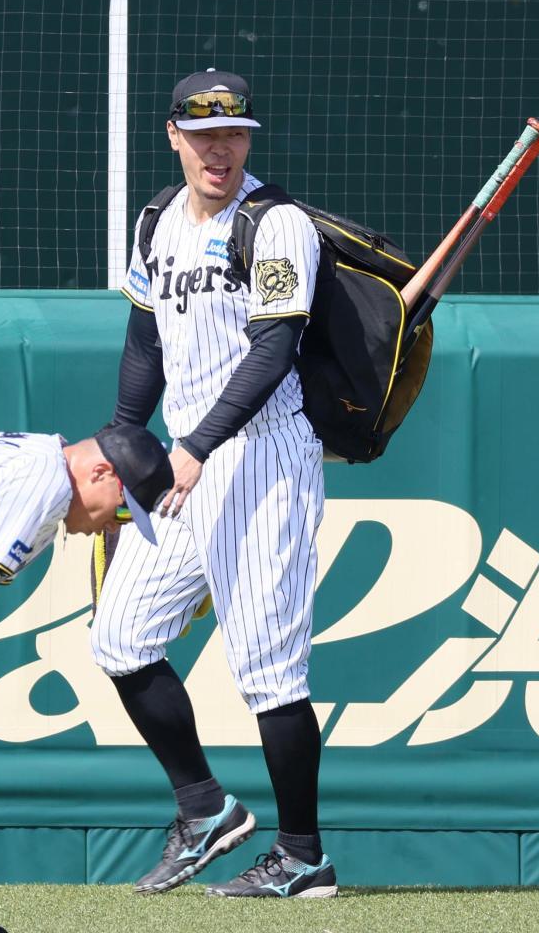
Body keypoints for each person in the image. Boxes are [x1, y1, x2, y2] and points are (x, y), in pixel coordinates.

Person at [91, 68, 337, 899]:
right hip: (182, 461)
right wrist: (128, 436)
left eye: (233, 135)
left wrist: (194, 444)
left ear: (249, 140)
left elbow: (273, 351)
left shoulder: (277, 223)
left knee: (270, 670)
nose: (219, 150)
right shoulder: (158, 218)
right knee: (120, 637)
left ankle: (304, 856)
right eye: (202, 137)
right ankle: (205, 809)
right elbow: (143, 336)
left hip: (261, 457)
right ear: (174, 137)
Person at [0, 425, 172, 932]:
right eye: (122, 509)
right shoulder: (44, 479)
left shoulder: (37, 456)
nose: (112, 527)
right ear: (101, 471)